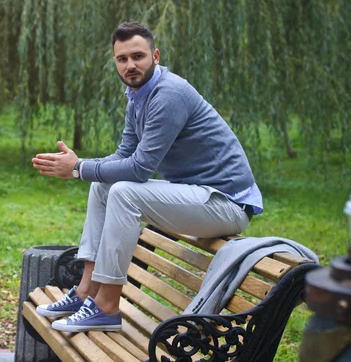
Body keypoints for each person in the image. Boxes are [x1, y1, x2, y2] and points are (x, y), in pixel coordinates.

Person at [31, 21, 263, 333]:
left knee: (125, 192)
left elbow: (140, 168)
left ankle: (106, 307)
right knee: (104, 185)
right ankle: (86, 292)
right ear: (115, 62)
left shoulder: (169, 94)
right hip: (196, 196)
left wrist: (78, 167)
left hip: (227, 204)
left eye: (138, 56)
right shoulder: (137, 94)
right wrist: (82, 167)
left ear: (155, 55)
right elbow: (124, 154)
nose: (130, 65)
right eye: (122, 59)